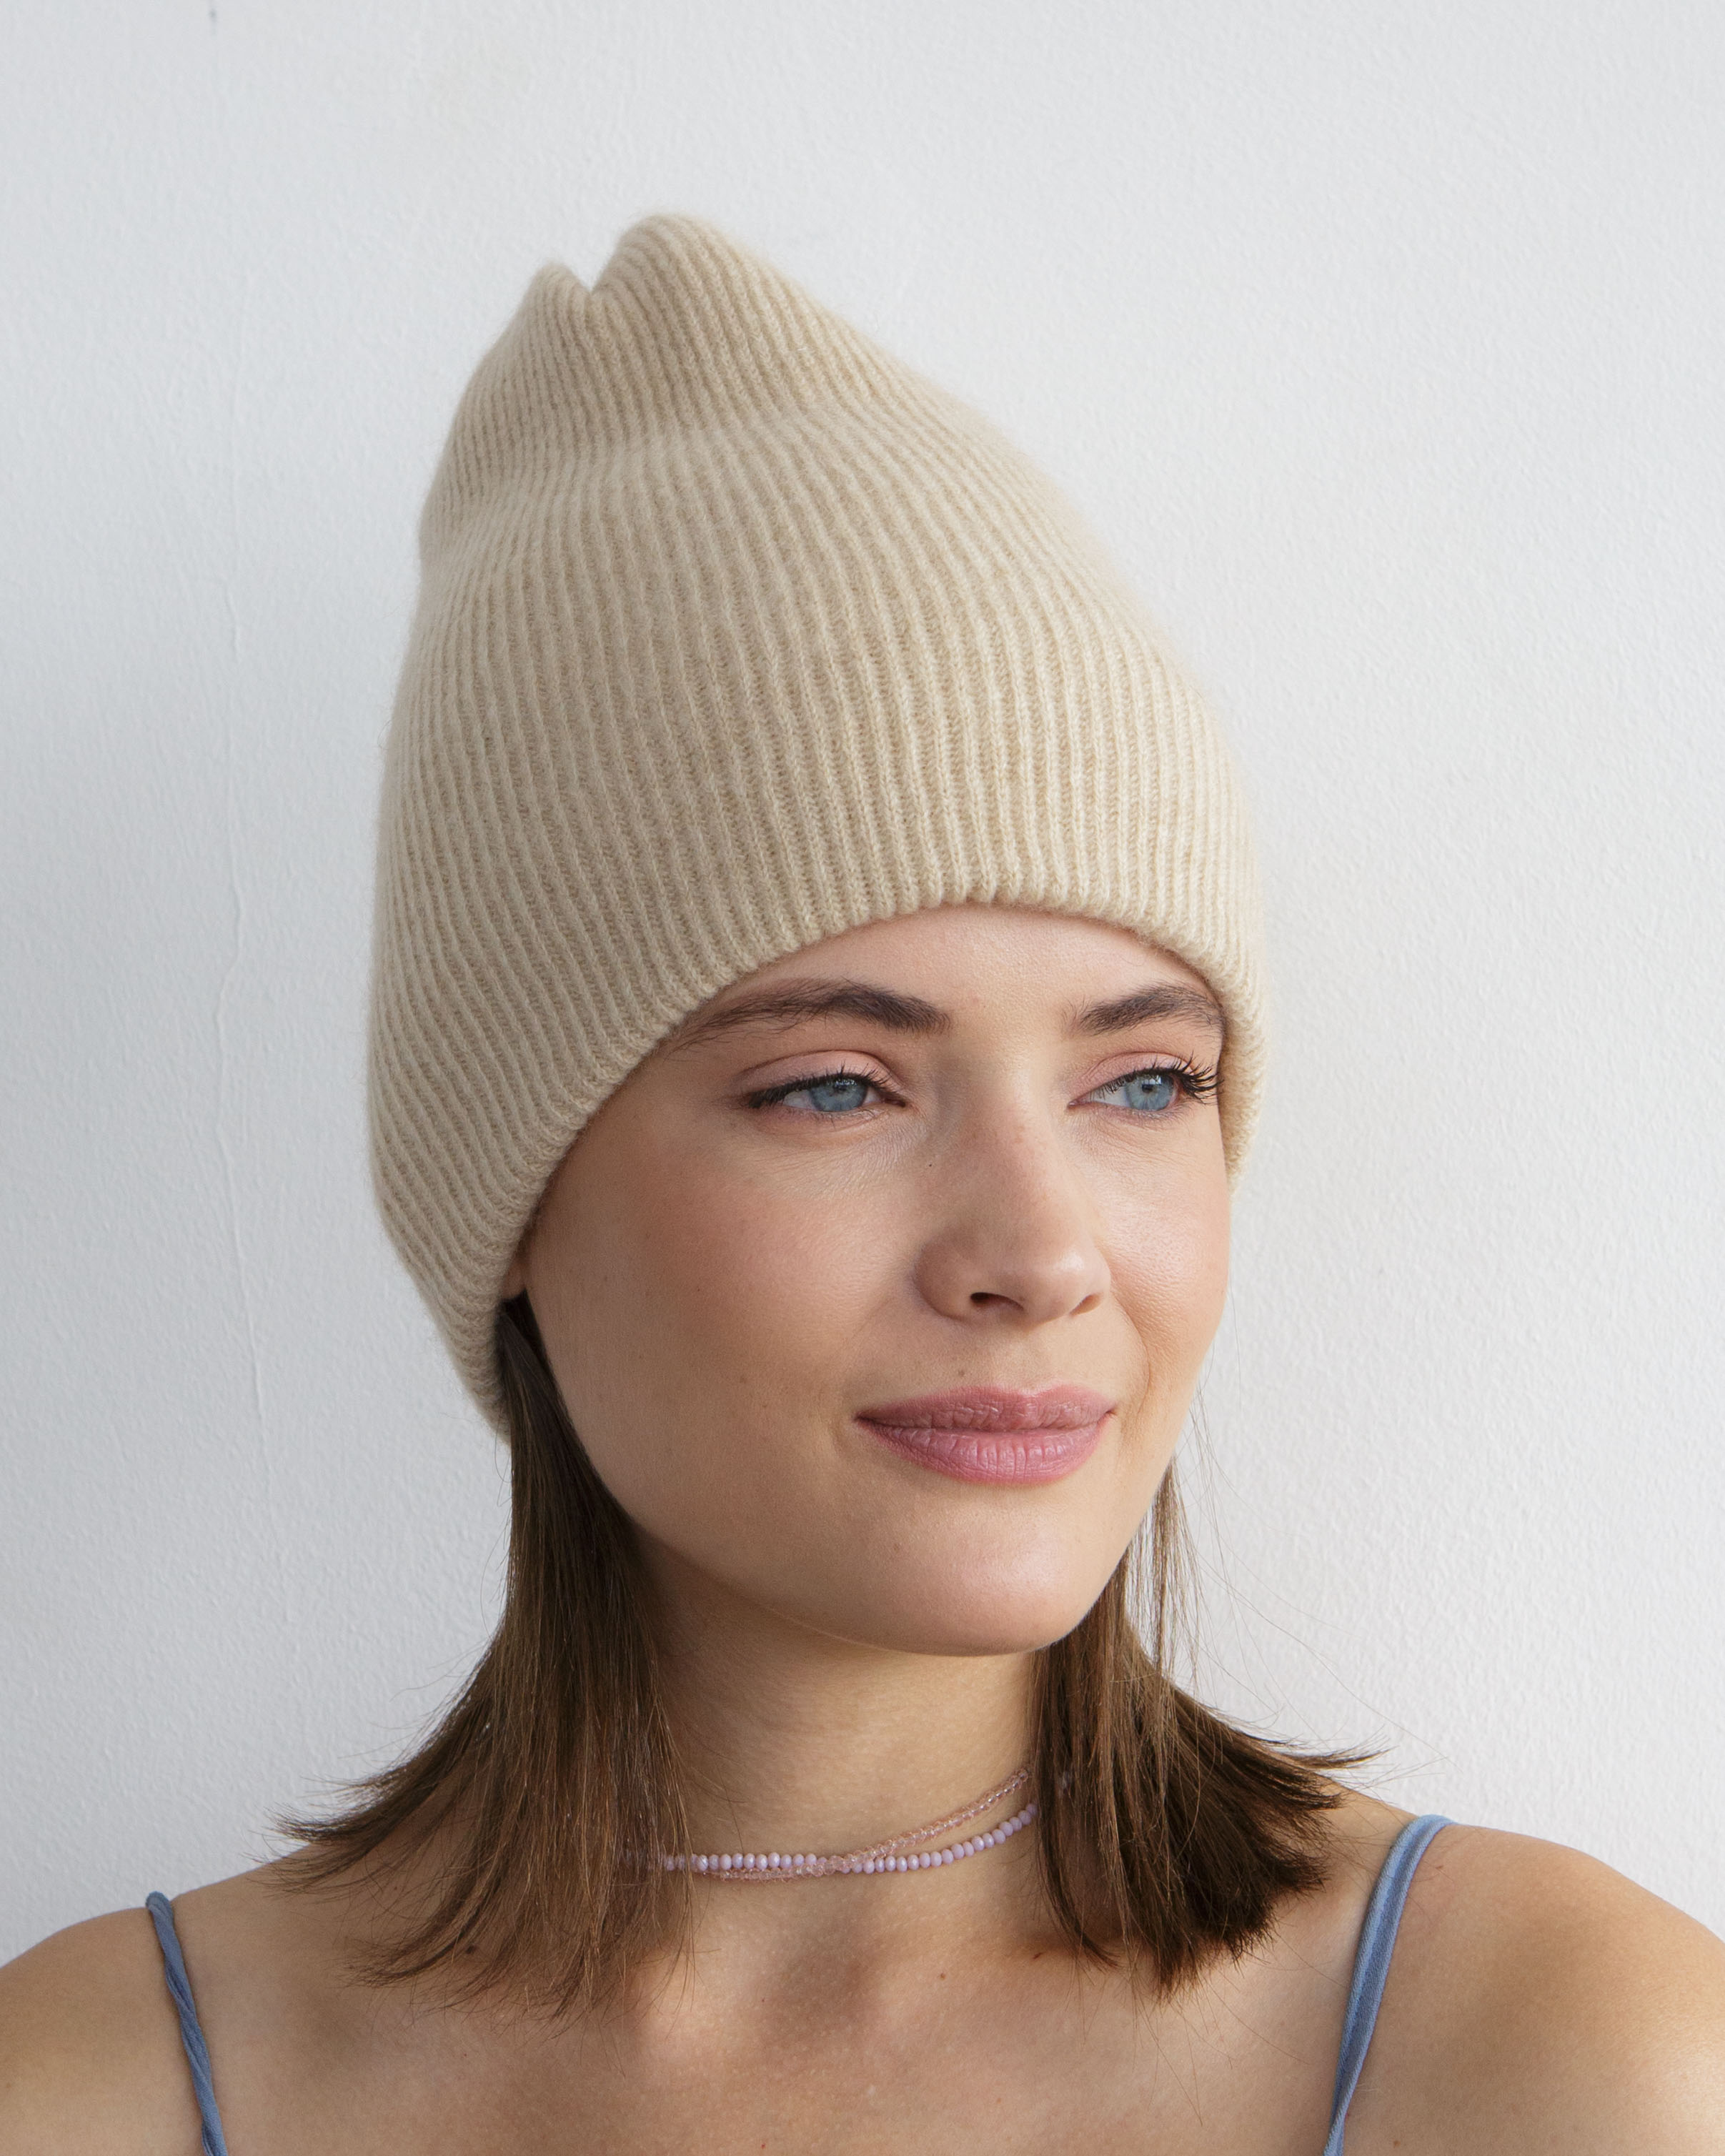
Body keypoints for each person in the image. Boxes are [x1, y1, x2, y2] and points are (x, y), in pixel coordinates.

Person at [3, 214, 1721, 2156]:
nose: (1041, 1251)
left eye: (1144, 1079)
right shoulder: (89, 2093)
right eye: (836, 1085)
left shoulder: (1562, 2062)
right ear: (513, 1197)